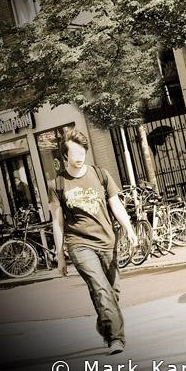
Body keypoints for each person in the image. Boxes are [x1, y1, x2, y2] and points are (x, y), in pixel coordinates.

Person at [48, 128, 137, 355]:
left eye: (82, 152)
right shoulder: (58, 184)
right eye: (74, 153)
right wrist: (60, 255)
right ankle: (116, 339)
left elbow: (116, 205)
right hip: (79, 244)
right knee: (100, 288)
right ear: (65, 155)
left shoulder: (100, 174)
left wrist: (129, 228)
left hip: (107, 240)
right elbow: (57, 222)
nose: (79, 157)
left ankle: (104, 324)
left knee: (112, 291)